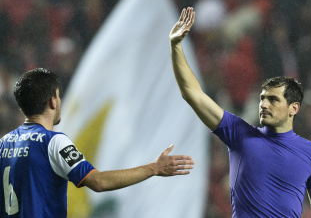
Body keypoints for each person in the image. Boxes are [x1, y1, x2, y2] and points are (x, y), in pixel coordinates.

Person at [169, 7, 311, 218]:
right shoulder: (241, 135)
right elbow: (193, 93)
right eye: (263, 99)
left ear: (293, 108)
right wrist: (176, 47)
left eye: (274, 99)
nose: (265, 105)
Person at [0, 68, 194, 217]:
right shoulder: (54, 142)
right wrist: (154, 168)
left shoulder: (3, 144)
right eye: (59, 96)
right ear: (53, 101)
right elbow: (98, 182)